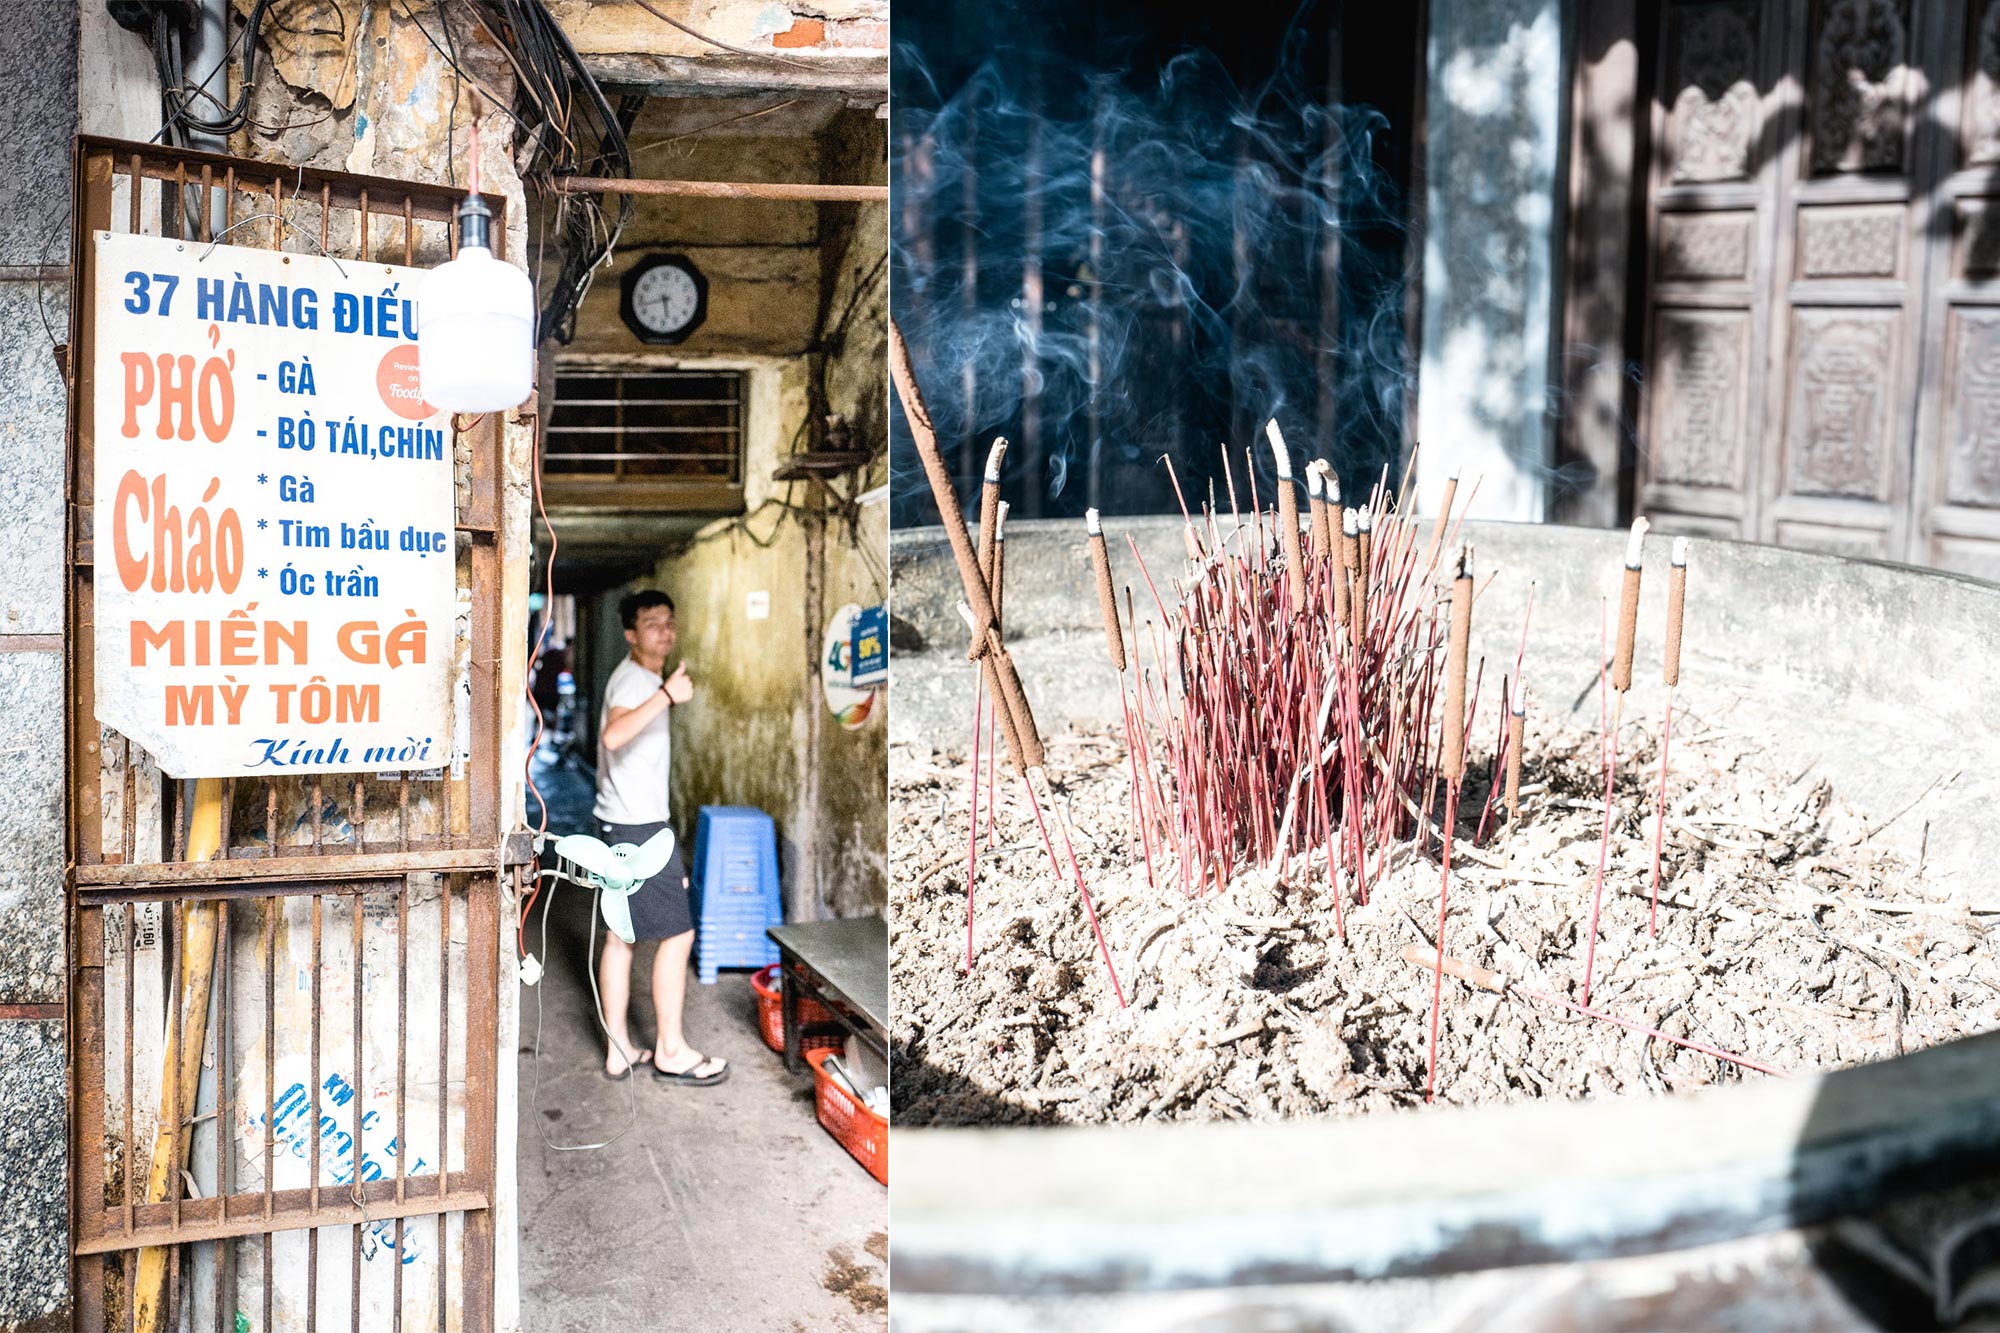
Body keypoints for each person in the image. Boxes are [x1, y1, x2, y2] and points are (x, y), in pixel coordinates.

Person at [592, 588, 728, 1085]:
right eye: (652, 623)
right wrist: (667, 695)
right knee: (679, 932)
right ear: (631, 634)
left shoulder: (642, 678)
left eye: (669, 622)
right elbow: (612, 736)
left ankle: (619, 1048)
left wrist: (663, 690)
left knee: (622, 936)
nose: (665, 631)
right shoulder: (635, 682)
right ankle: (670, 1050)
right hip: (639, 828)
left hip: (621, 821)